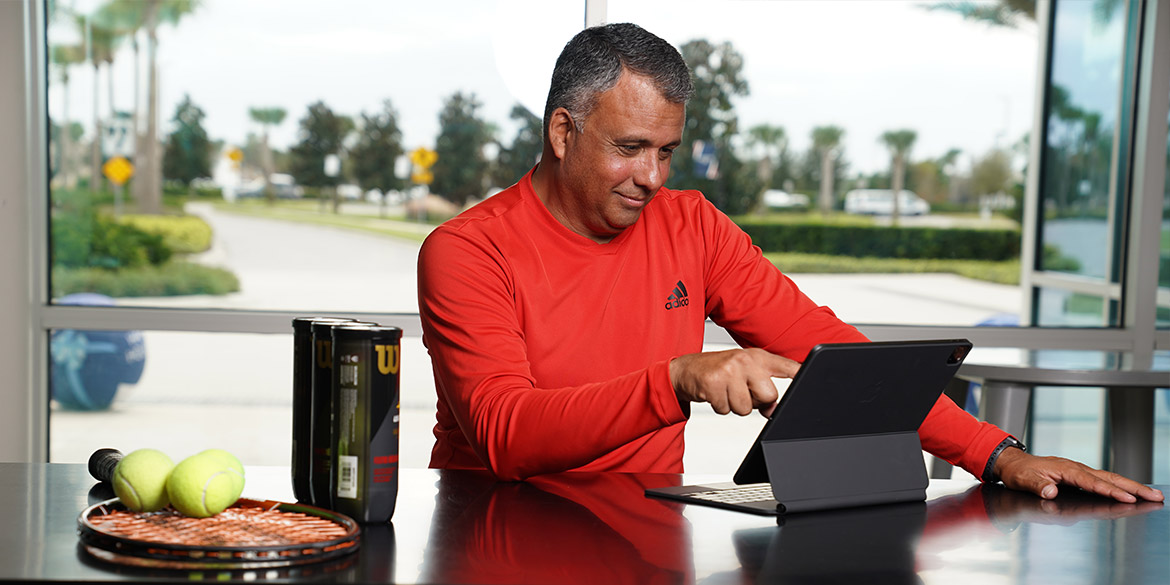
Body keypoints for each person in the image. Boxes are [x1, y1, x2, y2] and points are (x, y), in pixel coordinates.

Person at [417, 23, 1162, 504]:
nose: (652, 177)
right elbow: (504, 432)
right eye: (629, 148)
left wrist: (996, 454)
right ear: (562, 130)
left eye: (666, 151)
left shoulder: (692, 226)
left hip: (643, 527)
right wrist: (676, 377)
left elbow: (828, 346)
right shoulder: (465, 251)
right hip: (495, 532)